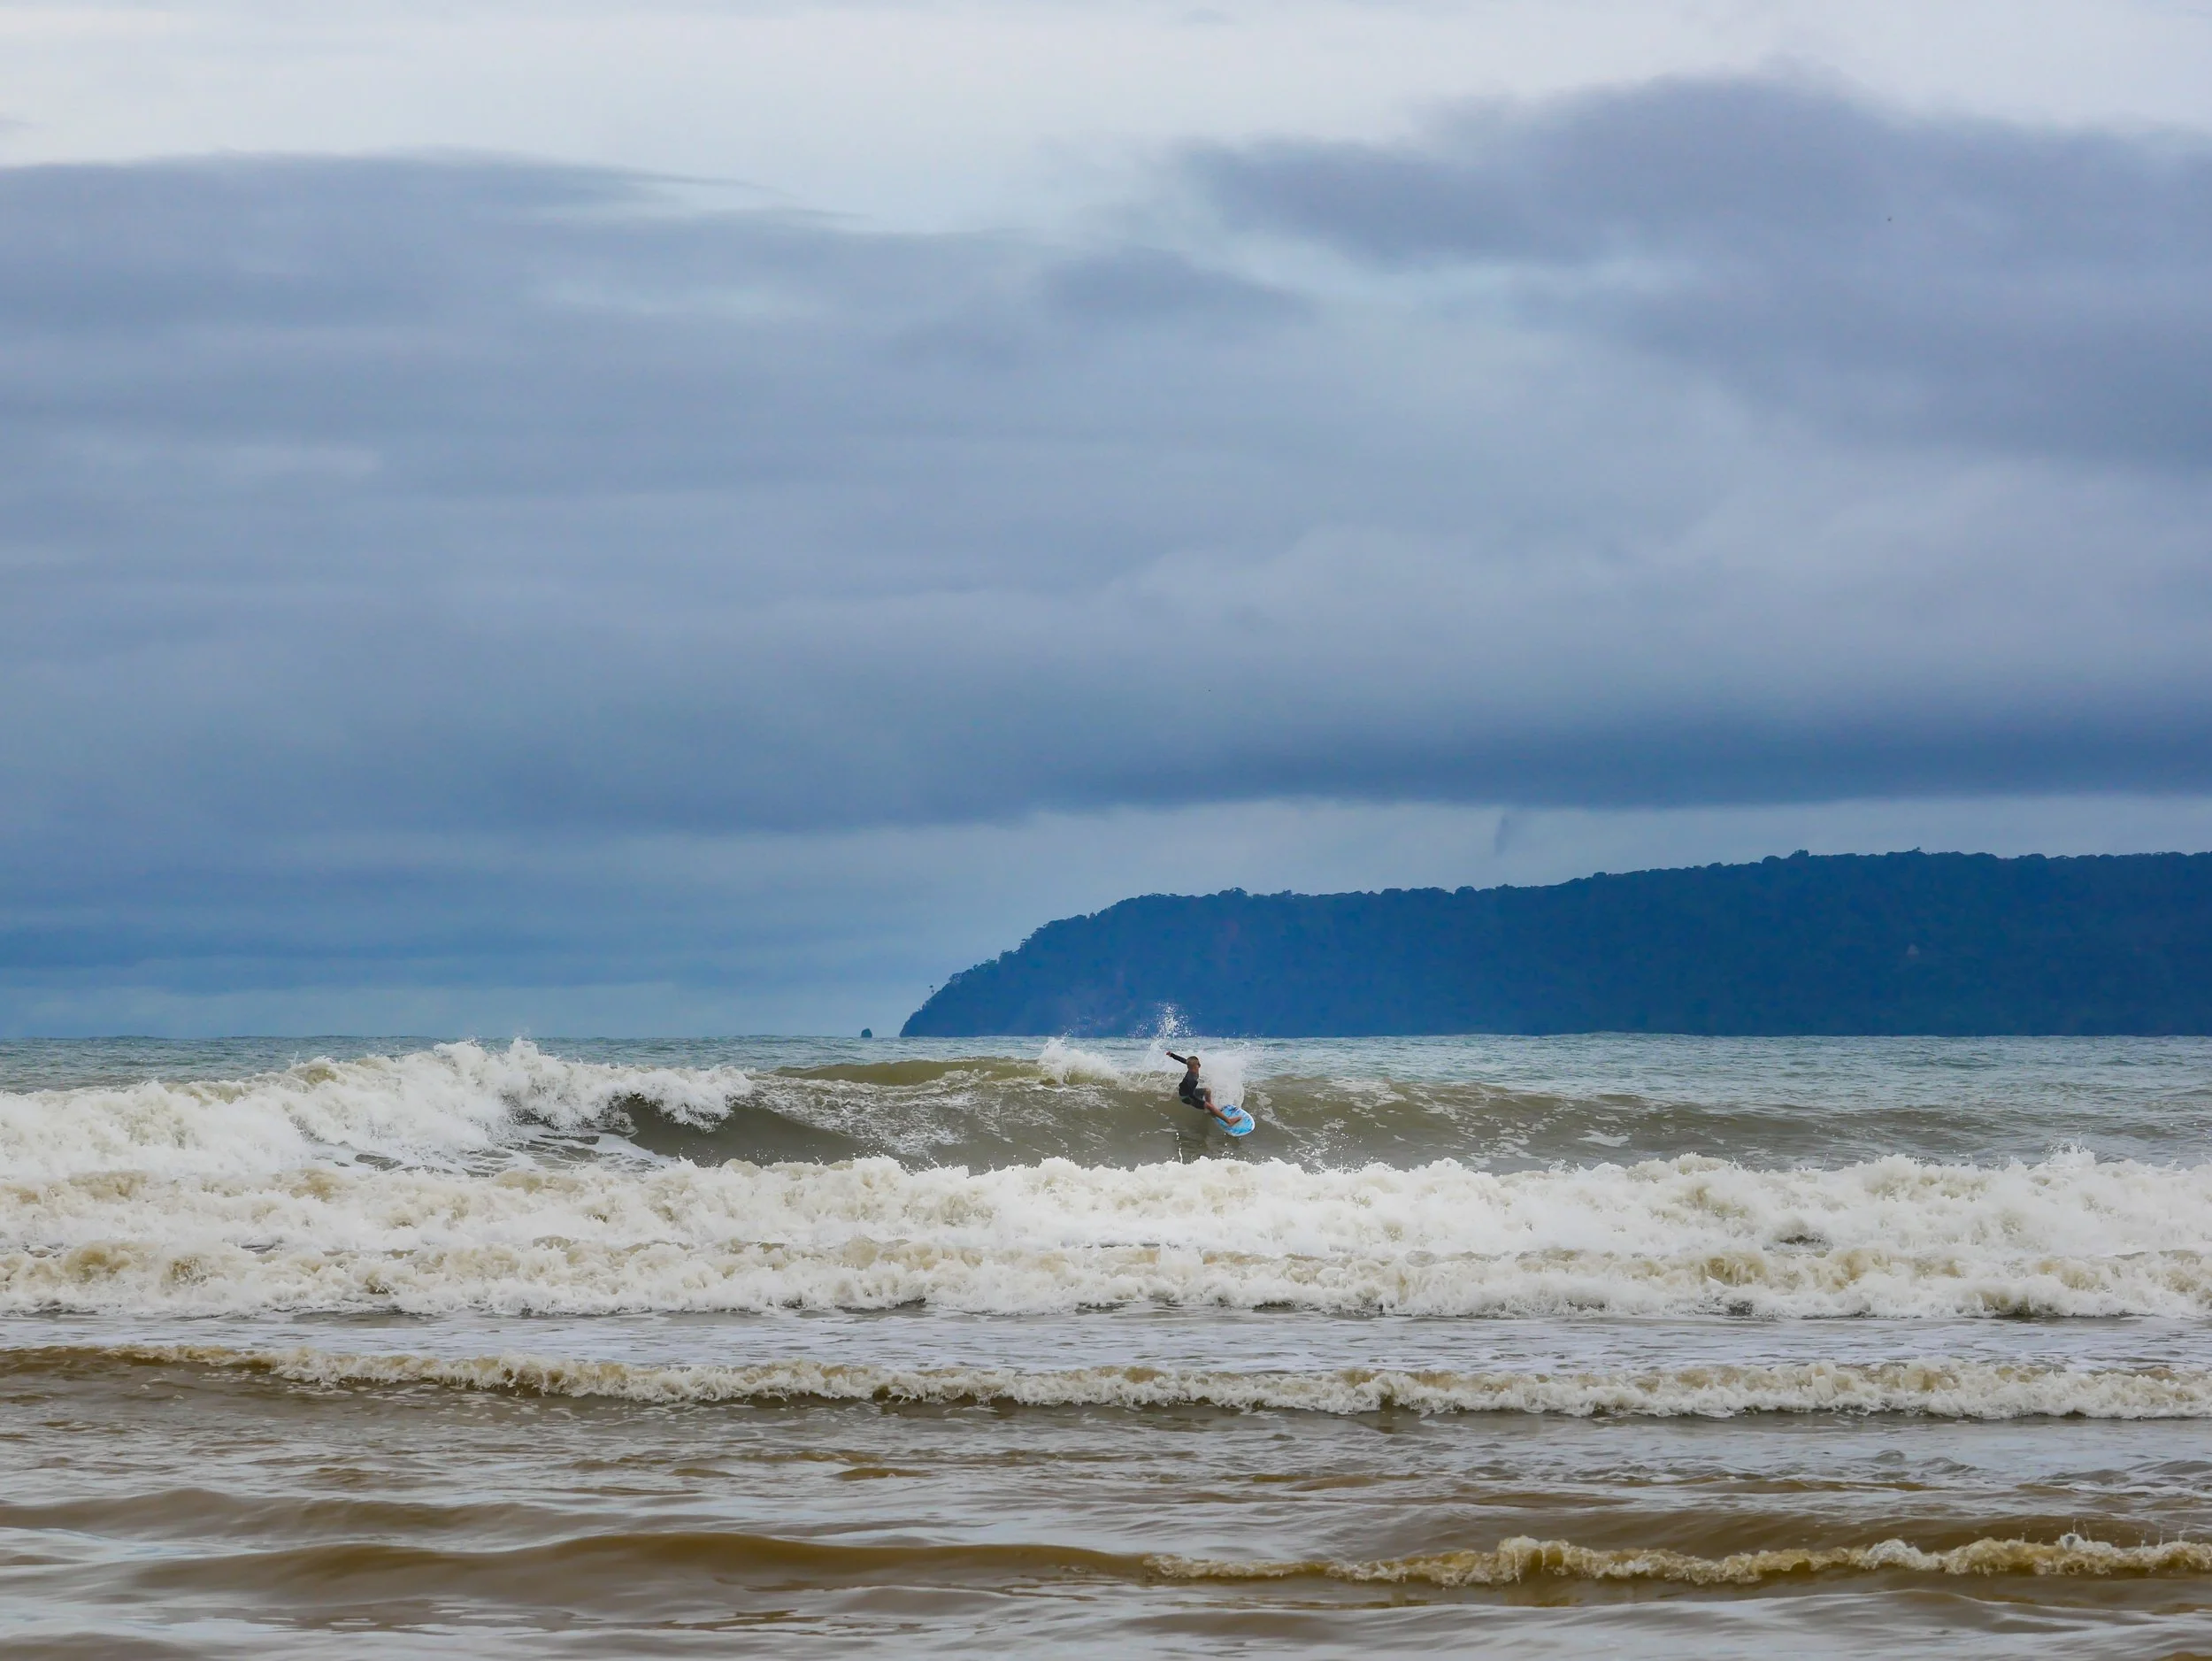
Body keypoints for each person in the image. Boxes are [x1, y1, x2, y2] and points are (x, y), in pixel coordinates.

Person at [1164, 1050, 1233, 1127]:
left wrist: (1172, 1055)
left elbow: (1182, 1060)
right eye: (1196, 1065)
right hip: (1186, 1098)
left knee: (1208, 1091)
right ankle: (1229, 1121)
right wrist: (1203, 1103)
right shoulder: (1192, 1080)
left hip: (1188, 1092)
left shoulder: (1191, 1067)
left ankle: (1210, 1109)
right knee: (1208, 1105)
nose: (1199, 1065)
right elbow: (1192, 1095)